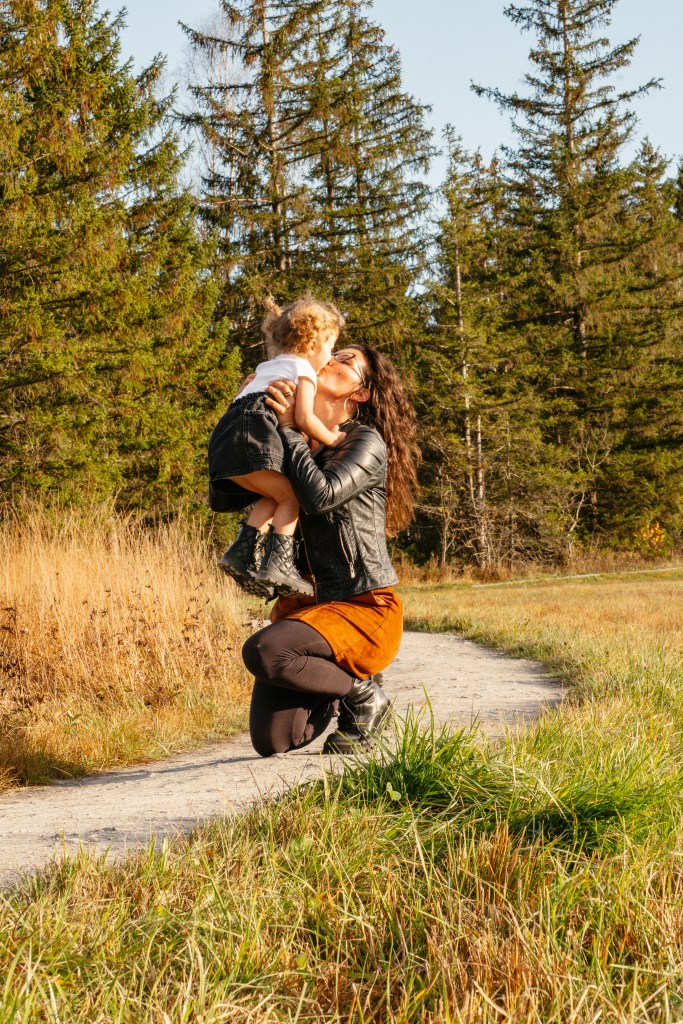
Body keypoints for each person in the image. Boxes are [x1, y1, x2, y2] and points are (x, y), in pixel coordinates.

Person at [240, 341, 419, 756]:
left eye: (345, 360)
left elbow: (321, 496)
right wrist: (250, 407)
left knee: (265, 652)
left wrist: (290, 429)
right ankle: (348, 683)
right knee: (275, 740)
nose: (331, 359)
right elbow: (227, 494)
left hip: (361, 605)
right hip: (306, 608)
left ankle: (363, 696)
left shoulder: (364, 442)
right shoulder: (298, 438)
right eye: (333, 353)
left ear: (361, 393)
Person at [208, 296, 345, 599]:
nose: (331, 358)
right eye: (331, 348)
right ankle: (278, 565)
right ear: (311, 345)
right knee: (293, 496)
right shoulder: (303, 370)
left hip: (223, 444)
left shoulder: (265, 368)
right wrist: (333, 439)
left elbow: (238, 406)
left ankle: (242, 554)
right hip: (254, 440)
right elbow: (304, 418)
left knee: (273, 495)